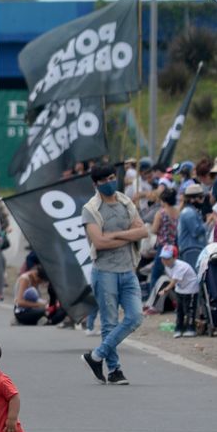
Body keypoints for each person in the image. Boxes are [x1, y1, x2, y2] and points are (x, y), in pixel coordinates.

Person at [80, 163, 148, 385]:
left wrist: (115, 236)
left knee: (135, 317)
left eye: (111, 177)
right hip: (105, 271)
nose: (110, 182)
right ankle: (115, 370)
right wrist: (129, 234)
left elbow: (144, 230)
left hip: (128, 270)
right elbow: (98, 241)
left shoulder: (125, 201)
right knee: (109, 323)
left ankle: (96, 355)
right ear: (95, 184)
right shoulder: (91, 209)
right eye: (104, 180)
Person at [151, 245, 200, 338]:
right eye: (163, 258)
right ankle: (179, 328)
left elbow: (173, 281)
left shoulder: (180, 266)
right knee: (179, 310)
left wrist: (165, 290)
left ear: (175, 257)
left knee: (189, 310)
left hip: (190, 289)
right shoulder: (167, 266)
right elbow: (172, 279)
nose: (165, 261)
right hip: (180, 289)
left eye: (167, 258)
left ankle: (191, 328)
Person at [145, 186, 180, 301]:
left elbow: (154, 230)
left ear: (163, 201)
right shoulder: (178, 211)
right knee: (174, 273)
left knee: (155, 273)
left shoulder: (161, 213)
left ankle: (153, 299)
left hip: (163, 247)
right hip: (175, 246)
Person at [177, 184, 208, 273]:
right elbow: (196, 231)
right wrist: (208, 223)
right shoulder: (189, 213)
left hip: (194, 249)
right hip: (191, 250)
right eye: (201, 197)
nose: (203, 200)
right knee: (195, 276)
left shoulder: (192, 211)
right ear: (192, 199)